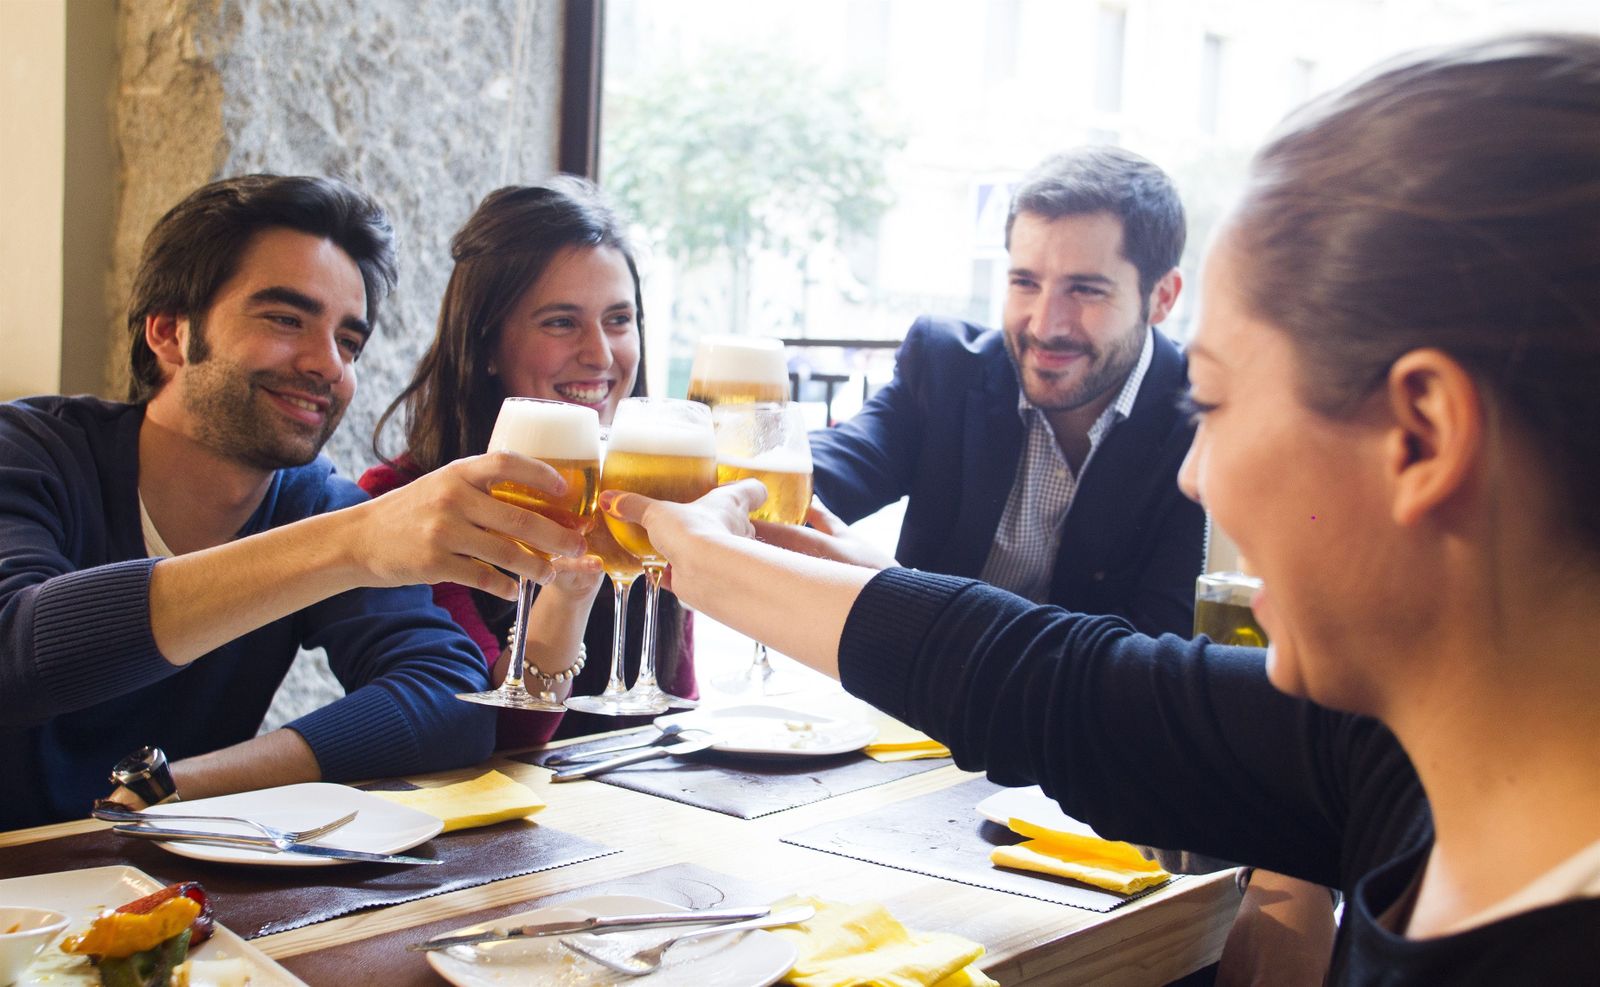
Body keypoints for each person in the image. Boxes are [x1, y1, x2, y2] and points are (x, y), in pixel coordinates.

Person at [603, 33, 1600, 983]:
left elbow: (1083, 681)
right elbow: (1063, 687)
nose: (1195, 473)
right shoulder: (1390, 755)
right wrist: (722, 549)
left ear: (1420, 438)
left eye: (1214, 401)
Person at [0, 175, 587, 829]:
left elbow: (452, 700)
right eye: (285, 319)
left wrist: (174, 787)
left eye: (349, 341)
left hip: (143, 888)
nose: (328, 365)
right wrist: (348, 544)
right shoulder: (26, 452)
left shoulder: (313, 504)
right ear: (168, 333)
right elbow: (17, 647)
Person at [808, 147, 1205, 637]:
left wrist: (895, 591)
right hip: (918, 709)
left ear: (1161, 297)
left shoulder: (1202, 419)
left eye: (1084, 290)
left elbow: (1160, 651)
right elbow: (824, 472)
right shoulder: (947, 368)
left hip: (1083, 712)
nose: (1045, 324)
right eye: (1025, 282)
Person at [362, 178, 693, 745]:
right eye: (561, 322)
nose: (601, 354)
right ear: (485, 345)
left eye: (619, 319)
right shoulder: (403, 499)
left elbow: (672, 717)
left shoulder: (646, 495)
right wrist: (569, 590)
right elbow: (485, 736)